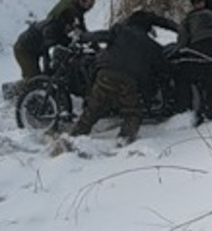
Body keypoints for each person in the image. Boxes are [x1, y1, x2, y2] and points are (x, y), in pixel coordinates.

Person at [69, 10, 173, 144]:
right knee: (133, 112)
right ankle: (124, 140)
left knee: (92, 109)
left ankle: (73, 138)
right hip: (128, 79)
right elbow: (164, 66)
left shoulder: (120, 30)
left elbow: (100, 35)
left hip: (105, 73)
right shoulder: (151, 45)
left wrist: (82, 36)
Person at [12, 0, 97, 81]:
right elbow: (47, 46)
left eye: (92, 5)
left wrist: (96, 47)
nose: (90, 8)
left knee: (39, 77)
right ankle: (12, 91)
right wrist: (48, 71)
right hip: (24, 49)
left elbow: (83, 33)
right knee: (34, 79)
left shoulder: (75, 15)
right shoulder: (55, 25)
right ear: (82, 0)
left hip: (35, 48)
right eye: (89, 5)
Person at [174, 0, 212, 123]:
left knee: (188, 76)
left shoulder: (188, 18)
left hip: (200, 46)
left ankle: (186, 112)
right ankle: (209, 113)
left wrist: (177, 52)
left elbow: (182, 41)